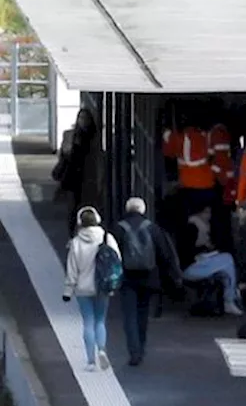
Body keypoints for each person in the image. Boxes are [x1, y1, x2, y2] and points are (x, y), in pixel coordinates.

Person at [111, 197, 178, 366]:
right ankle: (141, 347)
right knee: (143, 314)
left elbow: (110, 255)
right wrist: (169, 276)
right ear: (143, 209)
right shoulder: (153, 229)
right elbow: (164, 255)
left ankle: (134, 352)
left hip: (127, 278)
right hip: (149, 277)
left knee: (129, 316)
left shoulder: (118, 229)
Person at [62, 206, 119, 372]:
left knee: (88, 321)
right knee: (101, 320)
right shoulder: (107, 238)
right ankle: (101, 349)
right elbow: (117, 259)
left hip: (82, 288)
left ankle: (90, 361)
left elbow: (71, 270)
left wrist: (67, 291)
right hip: (103, 286)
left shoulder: (75, 243)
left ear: (80, 223)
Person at [180, 206, 242, 316]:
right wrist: (205, 250)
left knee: (226, 268)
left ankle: (231, 296)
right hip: (190, 267)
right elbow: (187, 252)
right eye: (206, 212)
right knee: (227, 259)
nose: (209, 216)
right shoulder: (193, 227)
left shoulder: (201, 227)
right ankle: (231, 297)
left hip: (196, 263)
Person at [52, 108, 98, 239]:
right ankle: (73, 235)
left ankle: (86, 234)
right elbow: (64, 155)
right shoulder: (70, 135)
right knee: (72, 209)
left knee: (88, 207)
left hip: (88, 178)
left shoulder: (94, 137)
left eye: (85, 119)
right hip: (72, 177)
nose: (83, 122)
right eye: (81, 118)